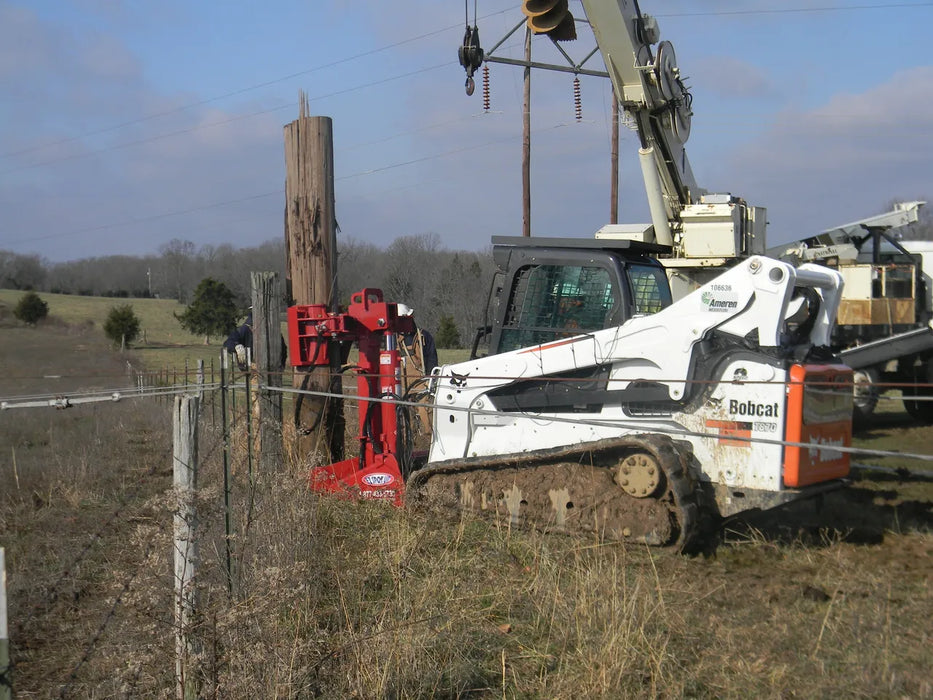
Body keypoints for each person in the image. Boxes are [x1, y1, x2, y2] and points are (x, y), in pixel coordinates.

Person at [223, 310, 287, 371]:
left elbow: (283, 348)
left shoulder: (273, 331)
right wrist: (236, 345)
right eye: (251, 327)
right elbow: (228, 343)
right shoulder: (243, 330)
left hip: (272, 369)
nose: (254, 330)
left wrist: (282, 364)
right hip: (251, 368)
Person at [396, 303, 438, 374]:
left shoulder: (423, 336)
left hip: (421, 381)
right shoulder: (391, 339)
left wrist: (430, 378)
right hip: (399, 381)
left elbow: (432, 360)